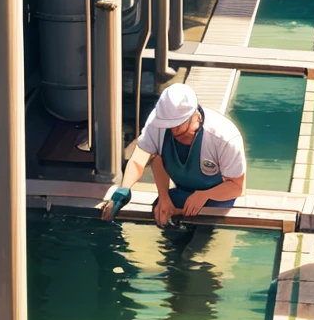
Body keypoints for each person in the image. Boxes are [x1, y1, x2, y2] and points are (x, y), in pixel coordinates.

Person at [101, 83, 246, 227]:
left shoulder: (224, 138)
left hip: (219, 198)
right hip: (182, 192)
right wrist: (125, 188)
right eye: (168, 126)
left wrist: (204, 195)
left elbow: (237, 187)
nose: (172, 131)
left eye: (177, 125)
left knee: (203, 240)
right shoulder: (158, 124)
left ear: (194, 117)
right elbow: (141, 158)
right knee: (162, 216)